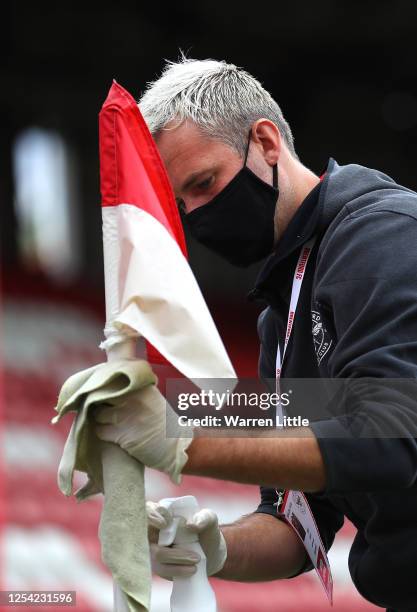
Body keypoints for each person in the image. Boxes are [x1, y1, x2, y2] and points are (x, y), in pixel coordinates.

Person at [81, 58, 417, 611]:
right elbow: (299, 523)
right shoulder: (278, 316)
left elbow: (390, 436)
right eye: (184, 206)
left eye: (205, 183)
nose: (200, 216)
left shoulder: (381, 234)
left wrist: (180, 435)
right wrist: (211, 549)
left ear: (265, 141)